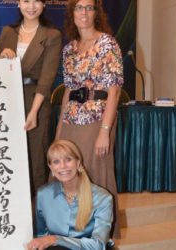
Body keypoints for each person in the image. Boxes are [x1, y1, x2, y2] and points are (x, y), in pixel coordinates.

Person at [54, 0, 123, 238]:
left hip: (97, 118)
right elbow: (67, 91)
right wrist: (59, 132)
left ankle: (100, 236)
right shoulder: (69, 49)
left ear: (96, 13)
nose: (83, 12)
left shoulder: (107, 43)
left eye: (88, 7)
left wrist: (105, 130)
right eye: (78, 8)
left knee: (95, 172)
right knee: (68, 173)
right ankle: (73, 232)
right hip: (72, 120)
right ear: (72, 14)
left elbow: (114, 90)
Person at [0, 0, 62, 194]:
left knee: (36, 160)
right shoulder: (8, 31)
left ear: (44, 5)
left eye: (36, 1)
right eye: (26, 1)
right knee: (8, 156)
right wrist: (1, 58)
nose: (31, 6)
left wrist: (34, 112)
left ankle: (36, 212)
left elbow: (47, 79)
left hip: (36, 103)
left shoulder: (52, 35)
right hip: (8, 101)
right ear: (18, 4)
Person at [27, 140, 113, 250]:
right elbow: (41, 236)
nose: (63, 166)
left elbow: (98, 245)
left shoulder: (102, 198)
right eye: (56, 161)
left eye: (68, 160)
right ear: (51, 167)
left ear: (78, 163)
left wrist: (56, 240)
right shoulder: (43, 195)